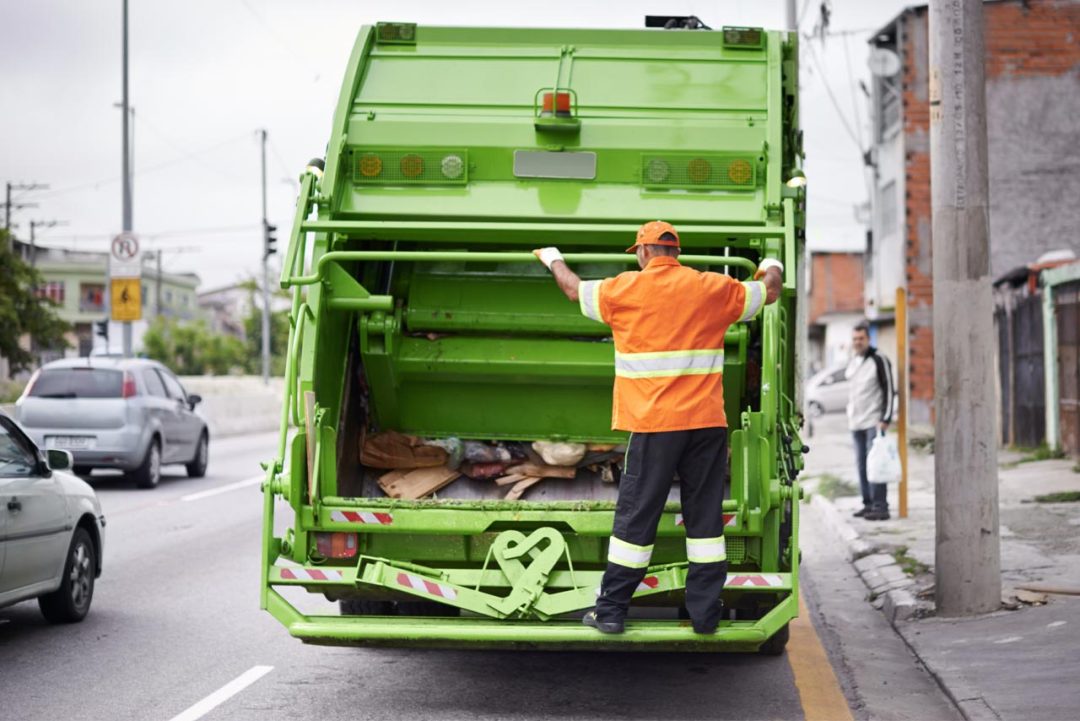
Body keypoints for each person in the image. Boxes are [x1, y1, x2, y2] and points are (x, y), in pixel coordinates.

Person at [533, 221, 783, 634]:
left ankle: (611, 611)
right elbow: (769, 291)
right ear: (675, 252)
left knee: (637, 518)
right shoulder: (713, 288)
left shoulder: (624, 290)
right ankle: (705, 616)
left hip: (654, 426)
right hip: (706, 425)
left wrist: (552, 258)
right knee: (704, 523)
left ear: (643, 253)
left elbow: (574, 289)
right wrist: (771, 260)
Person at [845, 322, 895, 521]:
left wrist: (886, 419)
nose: (857, 342)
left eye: (861, 339)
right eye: (855, 339)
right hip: (856, 422)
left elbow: (889, 390)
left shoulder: (879, 359)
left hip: (874, 421)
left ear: (868, 339)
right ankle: (868, 504)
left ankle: (881, 507)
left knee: (876, 465)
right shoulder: (854, 361)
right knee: (862, 465)